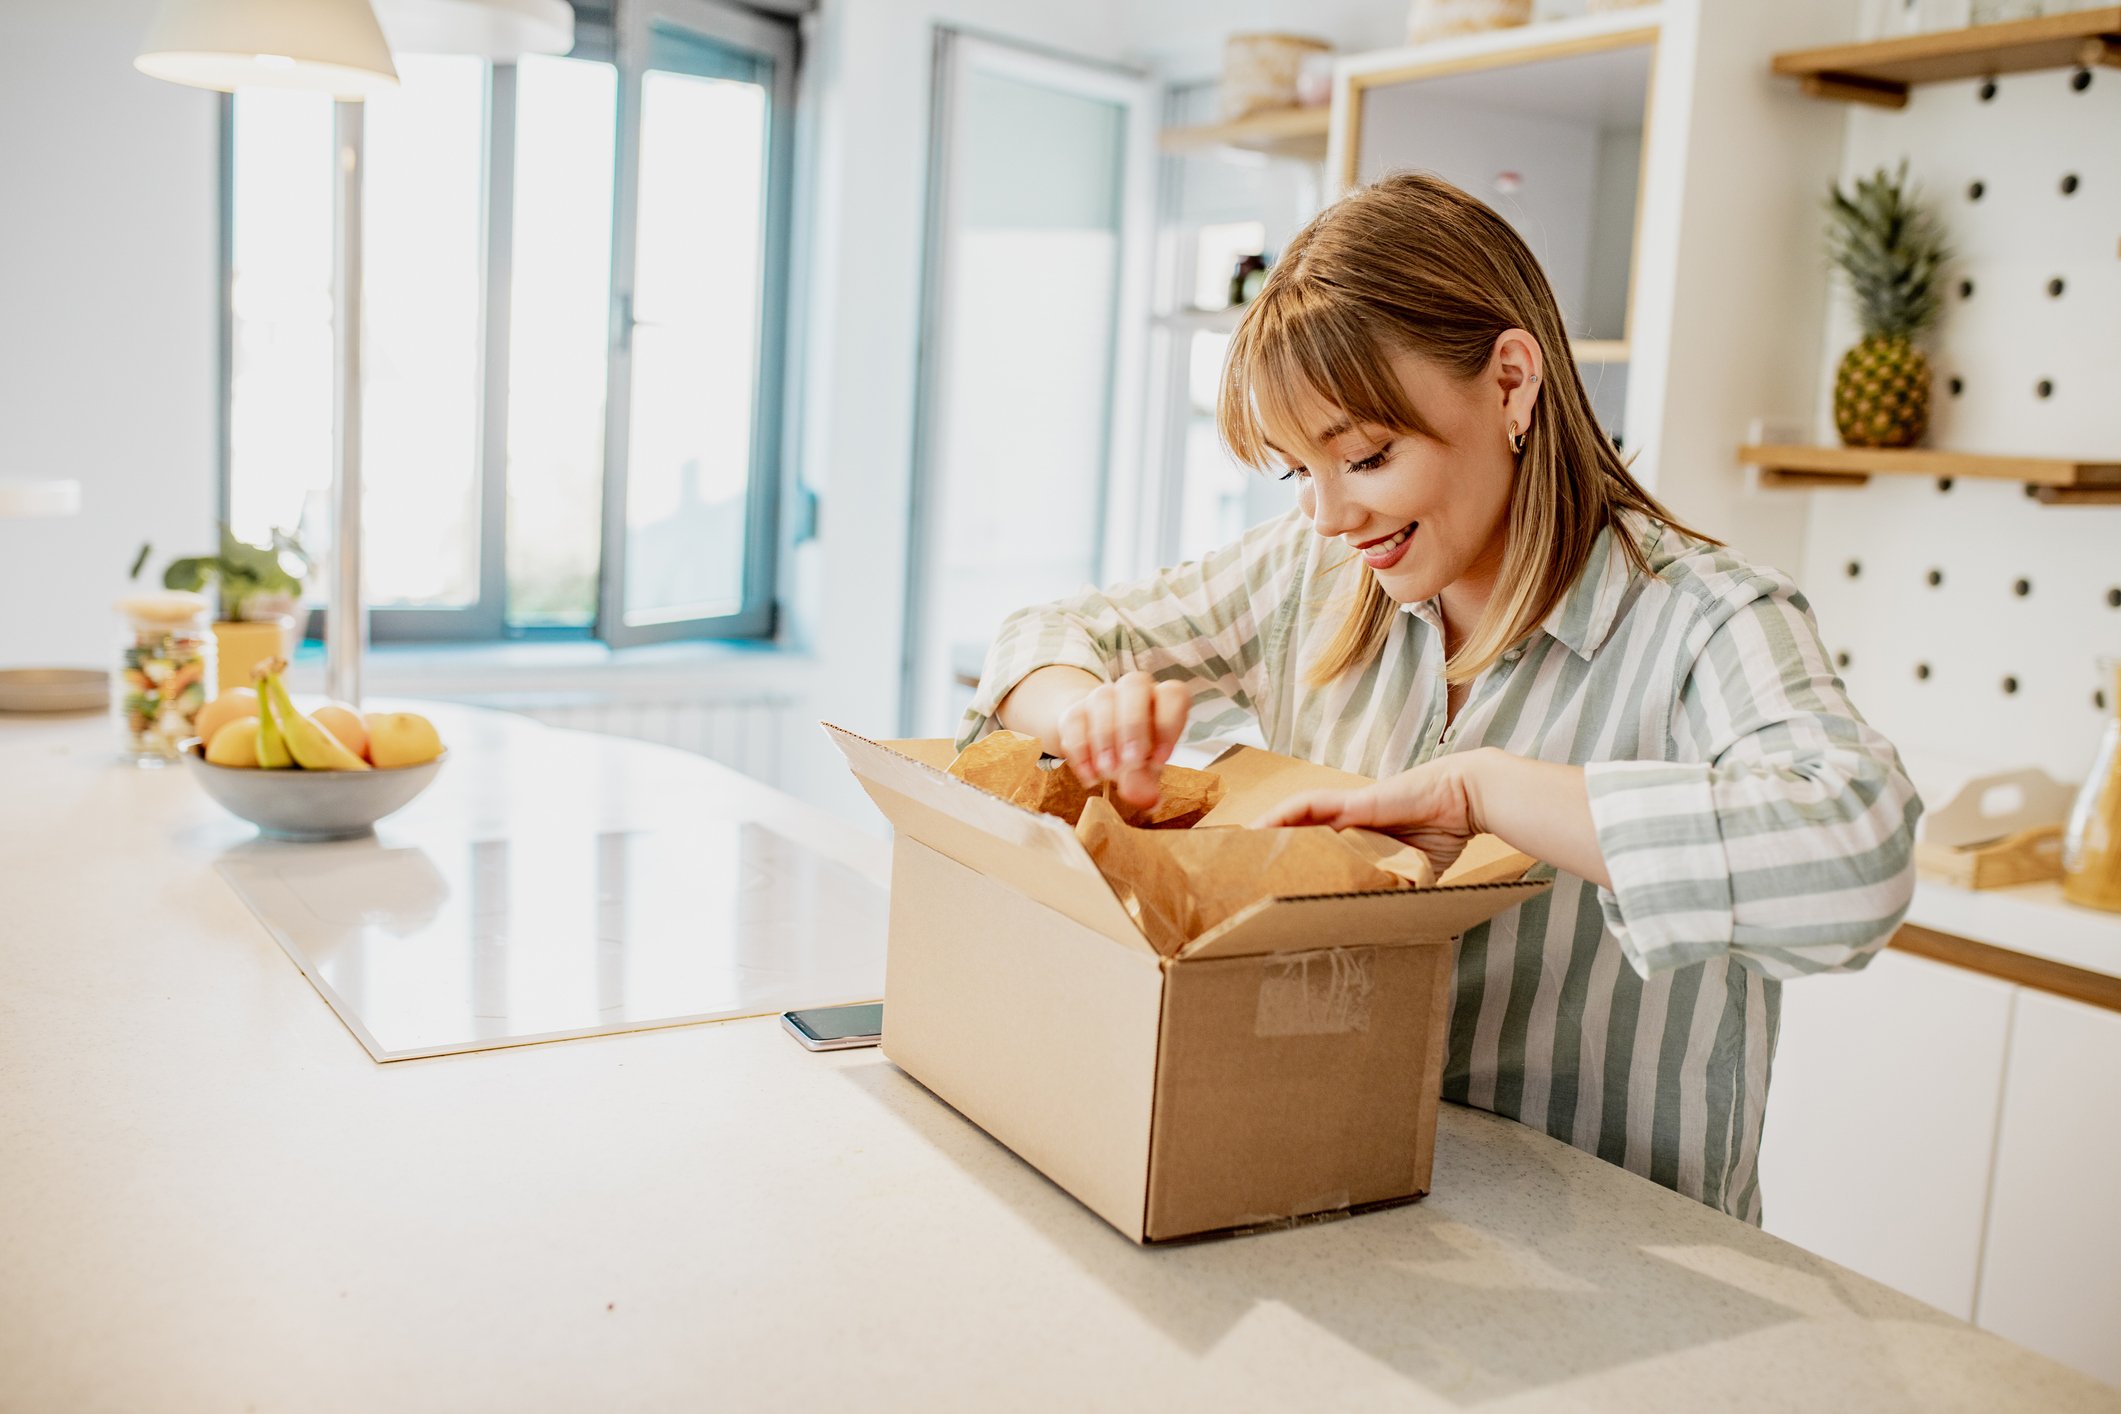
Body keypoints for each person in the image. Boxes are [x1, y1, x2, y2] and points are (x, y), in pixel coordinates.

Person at [958, 172, 1921, 1224]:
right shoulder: (1318, 571)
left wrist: (1489, 791)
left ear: (1511, 383)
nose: (1328, 514)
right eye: (1296, 472)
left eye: (1367, 456)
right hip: (1339, 1205)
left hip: (1619, 1278)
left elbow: (1857, 855)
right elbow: (1045, 639)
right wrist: (1083, 710)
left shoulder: (1703, 620)